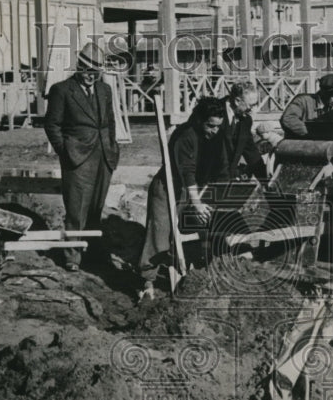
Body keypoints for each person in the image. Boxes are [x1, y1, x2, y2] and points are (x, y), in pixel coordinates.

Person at [137, 97, 228, 298]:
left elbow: (221, 165)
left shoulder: (215, 136)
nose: (214, 130)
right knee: (160, 235)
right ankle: (147, 280)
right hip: (169, 188)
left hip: (194, 190)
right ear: (199, 120)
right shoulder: (185, 135)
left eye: (218, 126)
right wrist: (196, 202)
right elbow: (186, 171)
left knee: (197, 228)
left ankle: (192, 270)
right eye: (210, 125)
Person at [44, 40, 120, 271]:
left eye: (96, 73)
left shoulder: (104, 89)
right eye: (88, 71)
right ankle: (72, 257)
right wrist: (65, 151)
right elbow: (52, 125)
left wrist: (113, 148)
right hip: (77, 159)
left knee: (97, 208)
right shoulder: (62, 90)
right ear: (79, 67)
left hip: (104, 156)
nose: (91, 76)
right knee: (76, 210)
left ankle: (94, 252)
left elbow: (110, 122)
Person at [220, 82, 267, 180]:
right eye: (251, 105)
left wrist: (265, 181)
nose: (253, 109)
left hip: (226, 179)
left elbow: (251, 152)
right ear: (237, 101)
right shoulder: (212, 110)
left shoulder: (246, 120)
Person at [279, 73, 333, 138]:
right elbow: (287, 119)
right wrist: (312, 132)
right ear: (323, 92)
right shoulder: (303, 101)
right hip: (300, 145)